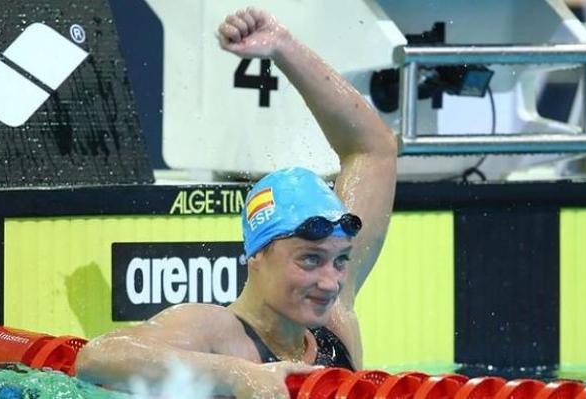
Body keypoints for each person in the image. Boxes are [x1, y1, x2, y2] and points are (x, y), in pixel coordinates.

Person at [76, 6, 397, 398]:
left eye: (340, 260)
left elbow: (374, 150)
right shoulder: (216, 330)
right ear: (257, 254)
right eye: (310, 259)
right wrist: (234, 374)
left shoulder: (334, 327)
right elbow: (98, 357)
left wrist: (283, 46)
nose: (330, 282)